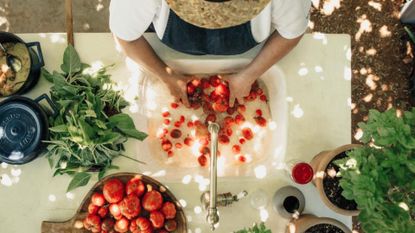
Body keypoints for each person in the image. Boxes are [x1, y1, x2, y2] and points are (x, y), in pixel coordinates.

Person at [110, 0, 311, 107]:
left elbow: (291, 33)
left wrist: (249, 75)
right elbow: (125, 36)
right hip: (167, 53)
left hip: (251, 56)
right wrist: (165, 74)